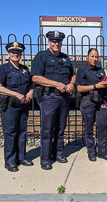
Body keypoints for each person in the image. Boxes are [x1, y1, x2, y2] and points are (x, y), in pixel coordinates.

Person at [31, 31, 76, 170]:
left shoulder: (65, 58)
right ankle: (45, 158)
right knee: (47, 129)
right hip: (49, 97)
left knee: (60, 128)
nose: (56, 43)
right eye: (53, 41)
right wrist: (56, 84)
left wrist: (72, 84)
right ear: (49, 42)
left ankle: (58, 154)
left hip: (64, 98)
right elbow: (36, 78)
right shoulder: (41, 57)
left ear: (61, 42)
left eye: (58, 41)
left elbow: (73, 74)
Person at [0, 42, 34, 172]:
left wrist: (30, 93)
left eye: (18, 52)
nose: (15, 54)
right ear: (8, 54)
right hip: (10, 106)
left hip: (23, 105)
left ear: (21, 54)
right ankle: (10, 161)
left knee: (22, 132)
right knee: (11, 133)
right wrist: (16, 94)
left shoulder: (24, 69)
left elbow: (30, 85)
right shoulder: (3, 69)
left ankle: (21, 157)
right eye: (13, 52)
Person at [76, 48, 107, 161]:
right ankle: (91, 152)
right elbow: (80, 88)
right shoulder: (82, 70)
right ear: (87, 57)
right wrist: (96, 86)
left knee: (102, 126)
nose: (94, 59)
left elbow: (104, 86)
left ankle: (102, 151)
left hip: (100, 102)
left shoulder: (101, 71)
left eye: (96, 57)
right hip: (88, 102)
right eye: (92, 56)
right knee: (89, 128)